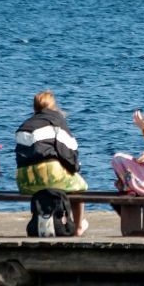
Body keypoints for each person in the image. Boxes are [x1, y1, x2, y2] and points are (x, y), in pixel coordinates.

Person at [15, 90, 89, 236]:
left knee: (47, 183)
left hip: (25, 180)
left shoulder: (24, 126)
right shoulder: (57, 122)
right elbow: (68, 152)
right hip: (50, 174)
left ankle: (45, 220)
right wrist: (75, 168)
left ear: (34, 108)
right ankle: (79, 226)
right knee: (80, 187)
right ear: (54, 106)